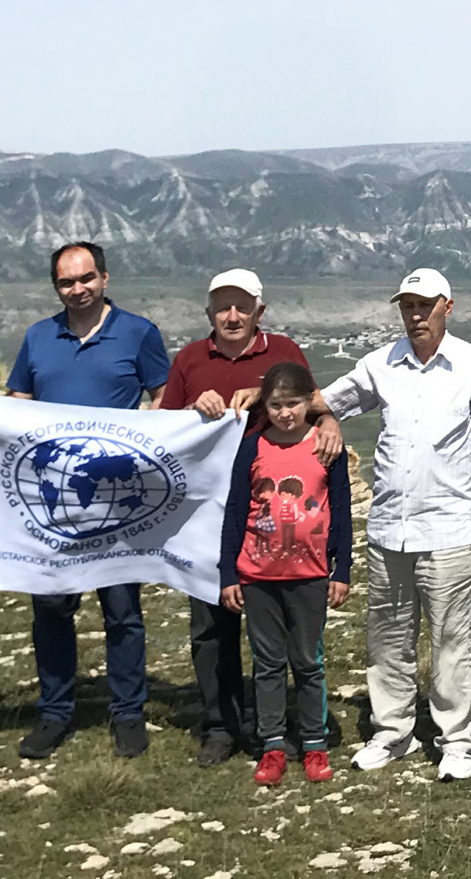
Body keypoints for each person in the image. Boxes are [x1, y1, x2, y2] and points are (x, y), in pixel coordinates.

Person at [312, 267, 471, 782]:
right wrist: (326, 416)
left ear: (448, 305)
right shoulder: (380, 364)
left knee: (450, 640)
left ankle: (457, 741)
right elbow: (324, 402)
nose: (415, 315)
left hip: (447, 529)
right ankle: (391, 732)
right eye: (407, 306)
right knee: (388, 639)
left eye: (424, 305)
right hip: (388, 531)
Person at [159, 267, 344, 766]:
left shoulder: (284, 351)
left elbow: (315, 406)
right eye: (223, 306)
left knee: (283, 634)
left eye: (242, 305)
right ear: (209, 313)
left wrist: (329, 423)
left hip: (273, 517)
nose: (232, 315)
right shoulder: (190, 360)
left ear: (260, 311)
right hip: (204, 512)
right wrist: (189, 410)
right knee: (210, 624)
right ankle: (221, 724)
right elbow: (161, 430)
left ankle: (289, 729)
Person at [5, 240, 171, 759]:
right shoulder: (38, 338)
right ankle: (54, 713)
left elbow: (164, 396)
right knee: (51, 610)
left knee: (122, 612)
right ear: (56, 286)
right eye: (65, 282)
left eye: (85, 279)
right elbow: (17, 406)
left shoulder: (139, 333)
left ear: (105, 278)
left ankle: (128, 713)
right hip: (54, 505)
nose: (76, 290)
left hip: (115, 502)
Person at [218, 360, 353, 786]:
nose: (285, 413)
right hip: (258, 575)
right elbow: (235, 512)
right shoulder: (252, 447)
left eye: (293, 404)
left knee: (308, 662)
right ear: (266, 405)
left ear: (307, 401)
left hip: (311, 574)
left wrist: (342, 568)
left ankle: (314, 744)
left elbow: (342, 513)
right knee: (268, 663)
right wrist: (228, 573)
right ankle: (272, 745)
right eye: (276, 405)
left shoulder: (325, 447)